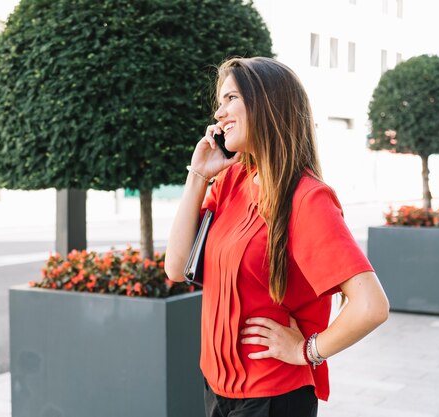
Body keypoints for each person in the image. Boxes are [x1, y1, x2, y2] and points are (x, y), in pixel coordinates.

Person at [165, 56, 389, 417]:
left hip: (273, 396)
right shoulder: (230, 182)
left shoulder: (307, 197)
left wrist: (307, 352)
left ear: (268, 104)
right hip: (216, 386)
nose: (219, 113)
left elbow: (371, 306)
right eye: (220, 102)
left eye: (231, 99)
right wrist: (198, 175)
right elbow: (176, 268)